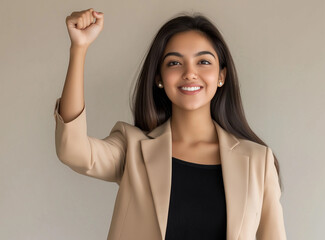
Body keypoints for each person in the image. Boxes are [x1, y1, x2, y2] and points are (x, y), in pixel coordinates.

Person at [54, 8, 287, 240]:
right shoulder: (133, 148)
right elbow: (73, 151)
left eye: (203, 61)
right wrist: (79, 49)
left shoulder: (258, 161)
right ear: (159, 78)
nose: (190, 73)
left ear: (221, 76)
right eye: (175, 63)